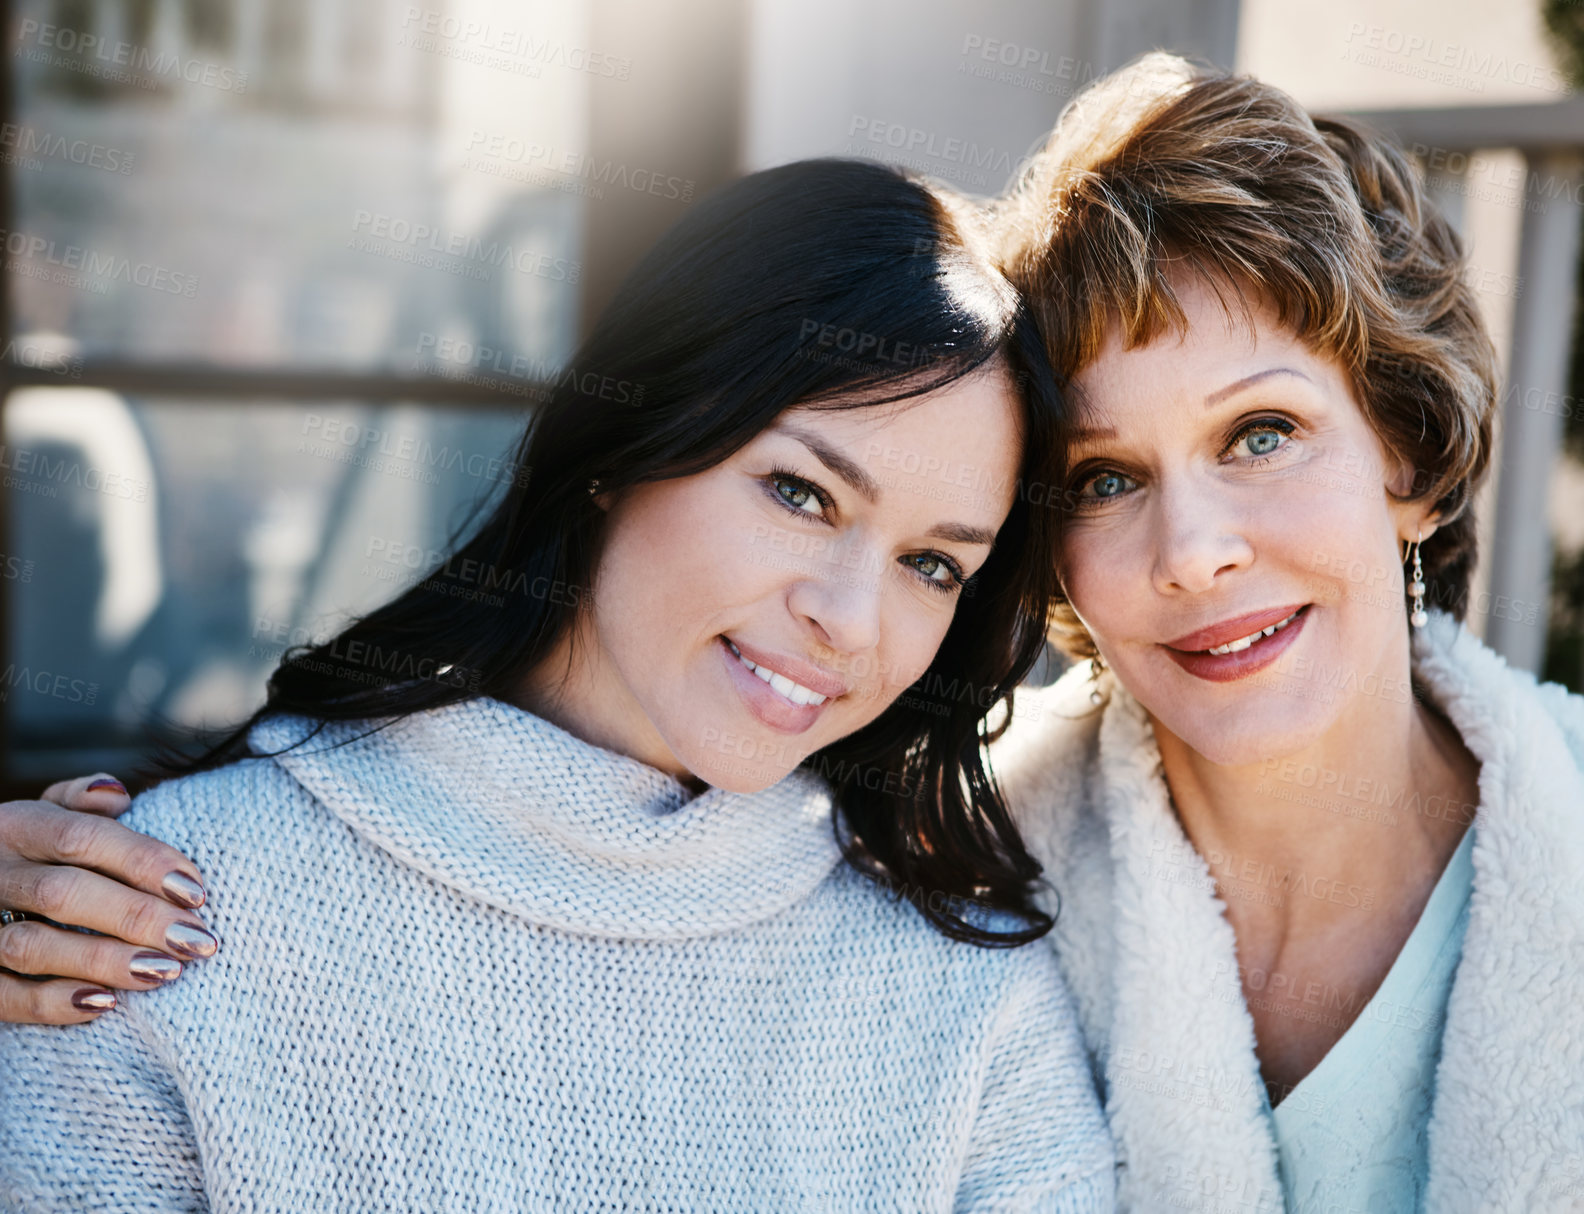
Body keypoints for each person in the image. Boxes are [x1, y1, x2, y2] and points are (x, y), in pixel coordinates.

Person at [0, 158, 1115, 1211]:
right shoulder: (148, 912)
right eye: (800, 493)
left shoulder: (965, 999)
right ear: (624, 446)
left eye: (932, 564)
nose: (850, 618)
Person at [988, 53, 1584, 1212]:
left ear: (1411, 456)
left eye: (1259, 432)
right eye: (1101, 478)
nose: (1192, 550)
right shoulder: (955, 884)